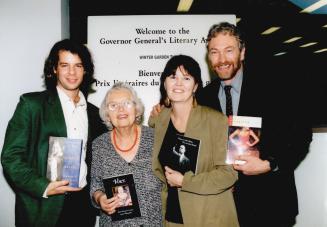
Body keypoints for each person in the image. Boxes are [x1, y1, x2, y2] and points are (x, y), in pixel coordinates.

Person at [196, 22, 313, 227]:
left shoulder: (275, 86)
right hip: (222, 208)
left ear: (242, 53)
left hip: (270, 206)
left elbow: (301, 135)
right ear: (209, 57)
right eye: (215, 52)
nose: (222, 60)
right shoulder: (204, 97)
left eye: (229, 50)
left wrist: (269, 164)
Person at [1, 39, 107, 227]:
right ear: (54, 69)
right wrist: (44, 186)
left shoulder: (94, 113)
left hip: (83, 206)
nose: (72, 73)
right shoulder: (31, 105)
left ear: (86, 70)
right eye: (65, 65)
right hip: (44, 207)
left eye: (78, 66)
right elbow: (11, 157)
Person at [149, 55, 239, 227]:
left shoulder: (216, 121)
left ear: (196, 86)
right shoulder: (159, 120)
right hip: (171, 219)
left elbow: (229, 175)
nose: (178, 83)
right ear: (164, 83)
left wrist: (185, 181)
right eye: (173, 76)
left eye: (186, 78)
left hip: (209, 217)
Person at [90, 82, 163, 227]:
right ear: (107, 115)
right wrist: (100, 199)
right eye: (113, 105)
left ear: (136, 110)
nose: (121, 109)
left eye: (127, 103)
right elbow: (95, 185)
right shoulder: (99, 144)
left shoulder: (156, 138)